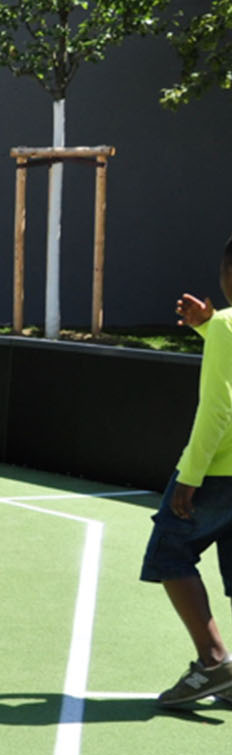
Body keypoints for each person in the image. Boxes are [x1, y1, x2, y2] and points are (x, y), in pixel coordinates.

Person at [139, 239, 232, 708]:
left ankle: (214, 662)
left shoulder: (227, 329)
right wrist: (208, 327)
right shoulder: (222, 328)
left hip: (219, 473)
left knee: (169, 553)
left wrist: (191, 475)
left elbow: (218, 410)